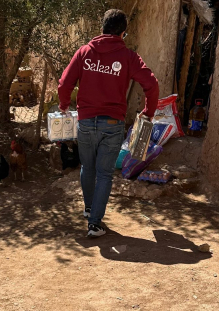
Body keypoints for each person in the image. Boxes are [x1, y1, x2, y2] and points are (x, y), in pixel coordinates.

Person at [58, 9, 159, 237]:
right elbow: (152, 85)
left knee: (87, 167)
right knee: (104, 173)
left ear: (102, 28)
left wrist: (64, 105)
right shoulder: (129, 57)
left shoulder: (84, 52)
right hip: (113, 124)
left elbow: (64, 84)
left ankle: (89, 209)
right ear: (123, 33)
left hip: (86, 122)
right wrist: (148, 112)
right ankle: (94, 224)